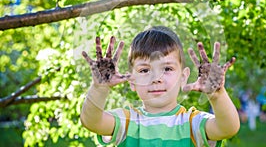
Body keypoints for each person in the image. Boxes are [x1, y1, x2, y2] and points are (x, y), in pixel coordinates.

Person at [80, 26, 240, 147]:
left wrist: (217, 95)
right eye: (144, 70)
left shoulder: (192, 123)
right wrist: (99, 88)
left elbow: (228, 128)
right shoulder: (127, 121)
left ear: (183, 77)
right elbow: (91, 121)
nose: (156, 78)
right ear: (131, 81)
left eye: (167, 69)